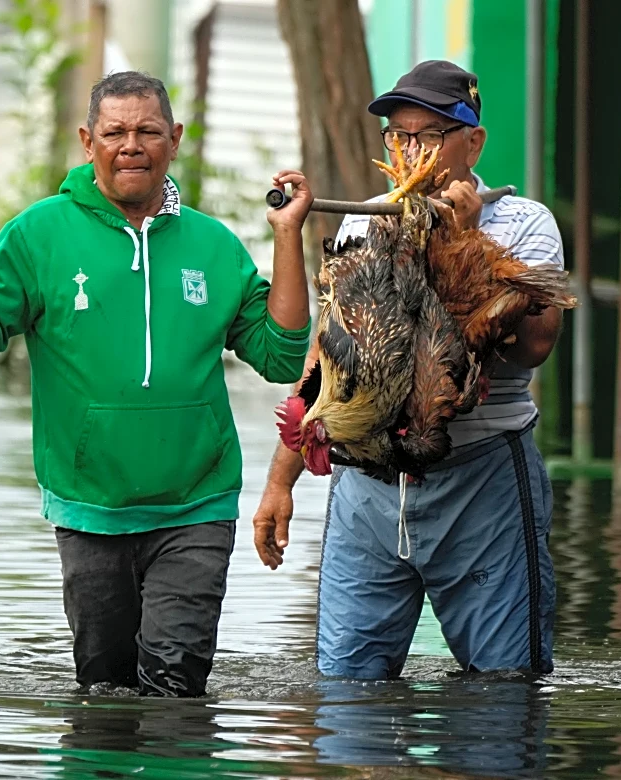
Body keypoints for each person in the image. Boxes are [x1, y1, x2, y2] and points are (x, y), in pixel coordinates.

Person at [0, 71, 313, 696]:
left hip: (197, 501)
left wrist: (287, 237)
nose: (131, 144)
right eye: (115, 132)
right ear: (88, 141)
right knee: (104, 689)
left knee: (175, 686)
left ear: (175, 140)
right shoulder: (39, 234)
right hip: (89, 505)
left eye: (148, 131)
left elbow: (278, 355)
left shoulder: (213, 246)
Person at [254, 60, 562, 678]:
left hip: (482, 479)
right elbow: (328, 352)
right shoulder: (366, 216)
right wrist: (280, 481)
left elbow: (534, 347)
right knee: (347, 693)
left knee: (504, 691)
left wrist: (468, 243)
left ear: (471, 142)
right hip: (366, 483)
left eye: (427, 135)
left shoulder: (524, 222)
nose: (409, 148)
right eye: (398, 135)